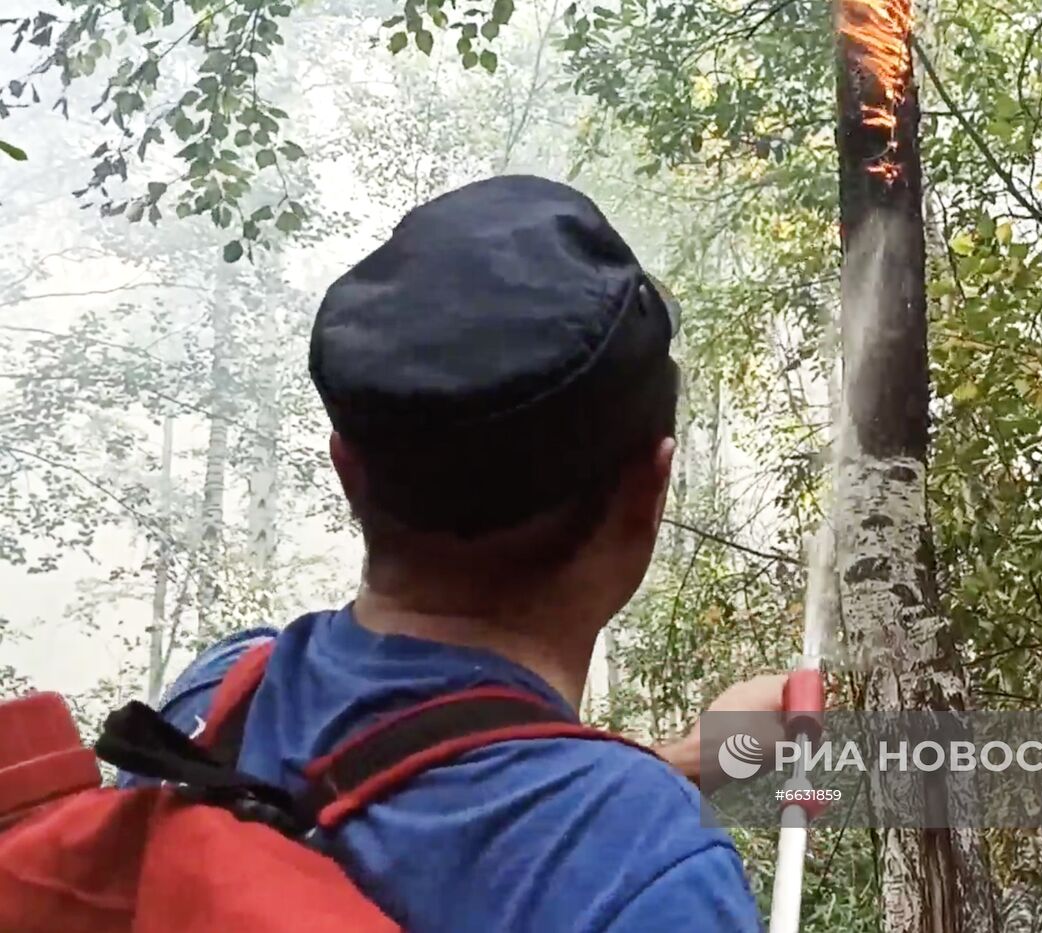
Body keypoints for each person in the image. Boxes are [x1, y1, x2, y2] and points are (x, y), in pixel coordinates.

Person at [124, 175, 780, 931]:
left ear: (348, 469)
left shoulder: (217, 703)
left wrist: (687, 760)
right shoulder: (654, 874)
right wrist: (643, 800)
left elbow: (414, 811)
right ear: (652, 489)